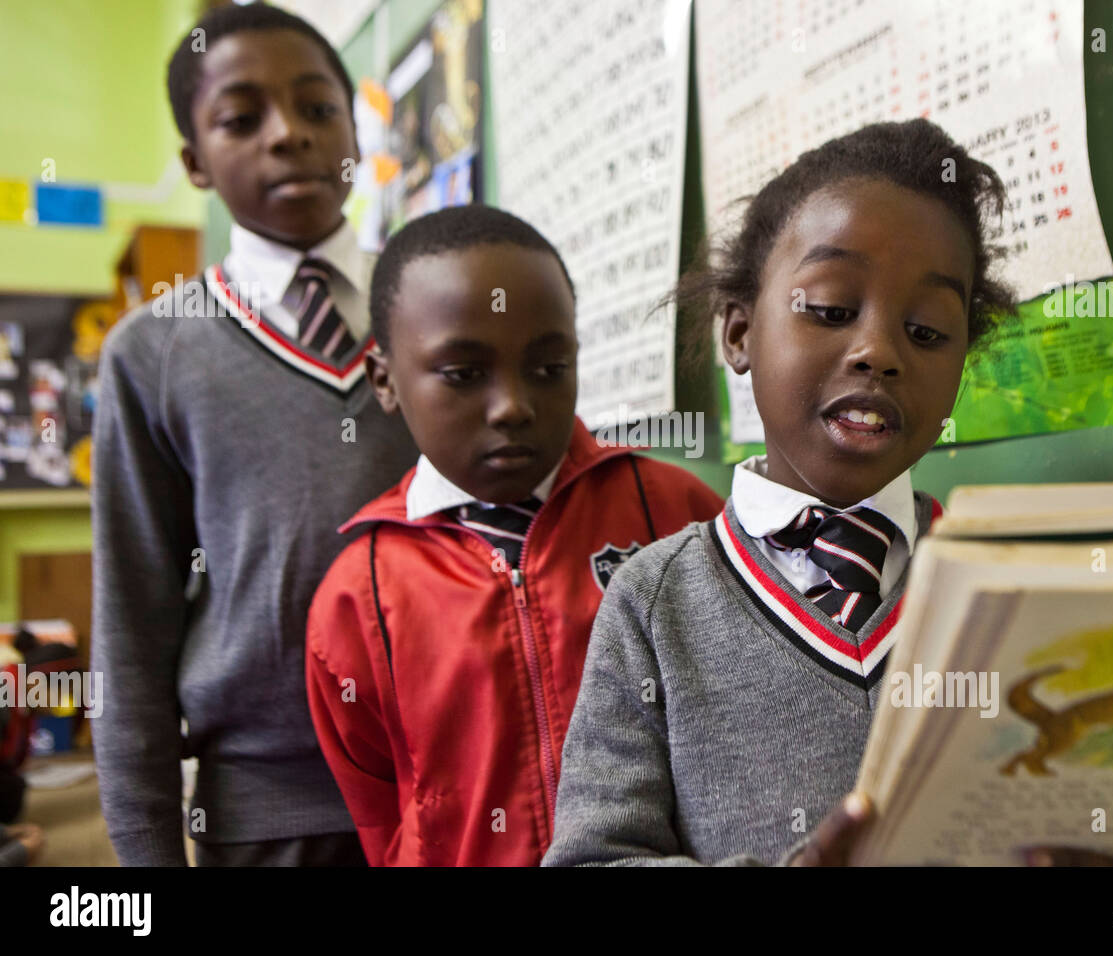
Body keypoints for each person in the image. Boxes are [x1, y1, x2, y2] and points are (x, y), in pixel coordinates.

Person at [542, 118, 1113, 866]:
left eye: (926, 331)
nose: (879, 352)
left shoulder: (1018, 590)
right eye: (828, 309)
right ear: (737, 332)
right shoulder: (653, 603)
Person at [92, 3, 417, 866]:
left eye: (318, 110)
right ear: (195, 162)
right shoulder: (152, 353)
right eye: (243, 118)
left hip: (465, 788)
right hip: (267, 821)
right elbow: (131, 629)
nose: (288, 136)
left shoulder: (442, 310)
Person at [305, 205, 723, 865]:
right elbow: (382, 815)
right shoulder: (359, 594)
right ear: (384, 380)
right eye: (465, 375)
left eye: (549, 368)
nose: (513, 405)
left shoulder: (676, 513)